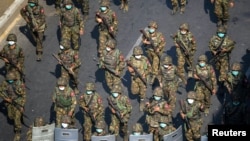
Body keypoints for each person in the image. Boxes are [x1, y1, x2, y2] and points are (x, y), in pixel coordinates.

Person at [0, 71, 26, 141]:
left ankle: (18, 132)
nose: (10, 81)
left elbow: (24, 96)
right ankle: (20, 116)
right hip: (9, 102)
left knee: (16, 118)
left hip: (18, 102)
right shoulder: (5, 83)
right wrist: (5, 98)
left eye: (11, 80)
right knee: (11, 116)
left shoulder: (20, 84)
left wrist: (22, 106)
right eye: (8, 80)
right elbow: (0, 91)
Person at [127, 46, 151, 111]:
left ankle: (142, 101)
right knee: (134, 92)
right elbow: (128, 66)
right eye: (136, 55)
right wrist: (129, 69)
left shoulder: (145, 59)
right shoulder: (131, 59)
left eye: (139, 54)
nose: (138, 56)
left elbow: (149, 68)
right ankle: (139, 93)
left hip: (143, 79)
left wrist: (144, 74)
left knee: (142, 92)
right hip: (135, 78)